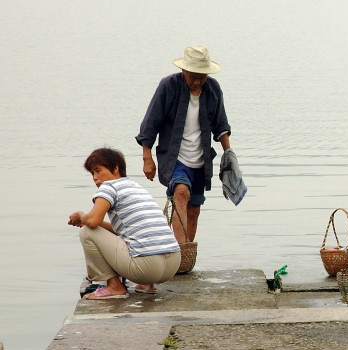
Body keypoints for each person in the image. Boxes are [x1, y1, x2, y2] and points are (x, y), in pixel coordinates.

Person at [135, 45, 232, 250]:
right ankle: (177, 251)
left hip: (201, 159)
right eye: (193, 76)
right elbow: (150, 123)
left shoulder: (213, 89)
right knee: (181, 192)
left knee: (194, 207)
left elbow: (221, 125)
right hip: (174, 157)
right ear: (184, 71)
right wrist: (147, 158)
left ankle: (186, 253)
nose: (197, 81)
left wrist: (229, 154)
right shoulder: (169, 86)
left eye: (202, 76)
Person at [68, 148, 181, 298]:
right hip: (172, 263)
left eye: (98, 170)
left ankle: (114, 286)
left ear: (115, 168)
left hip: (146, 268)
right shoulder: (137, 187)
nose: (95, 177)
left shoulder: (109, 187)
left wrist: (82, 216)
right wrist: (91, 223)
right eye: (92, 173)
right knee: (109, 231)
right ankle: (147, 286)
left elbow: (93, 221)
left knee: (87, 231)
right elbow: (124, 231)